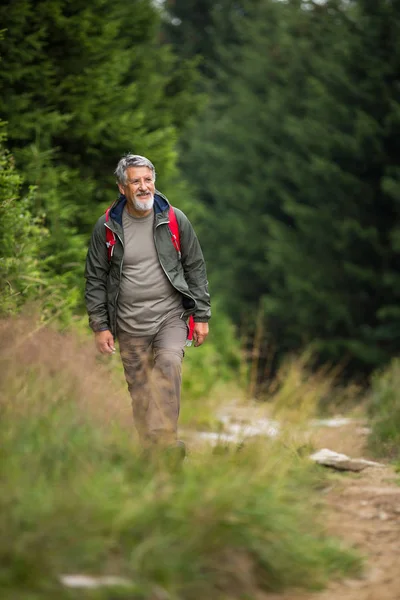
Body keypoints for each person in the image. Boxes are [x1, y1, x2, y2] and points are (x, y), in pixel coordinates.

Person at [85, 154, 210, 458]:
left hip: (171, 316)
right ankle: (151, 451)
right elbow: (95, 279)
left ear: (154, 181)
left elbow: (195, 266)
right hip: (128, 323)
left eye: (148, 180)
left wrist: (202, 315)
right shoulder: (107, 228)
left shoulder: (174, 219)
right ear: (122, 187)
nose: (144, 187)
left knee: (169, 363)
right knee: (140, 390)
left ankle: (166, 440)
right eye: (136, 181)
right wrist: (100, 325)